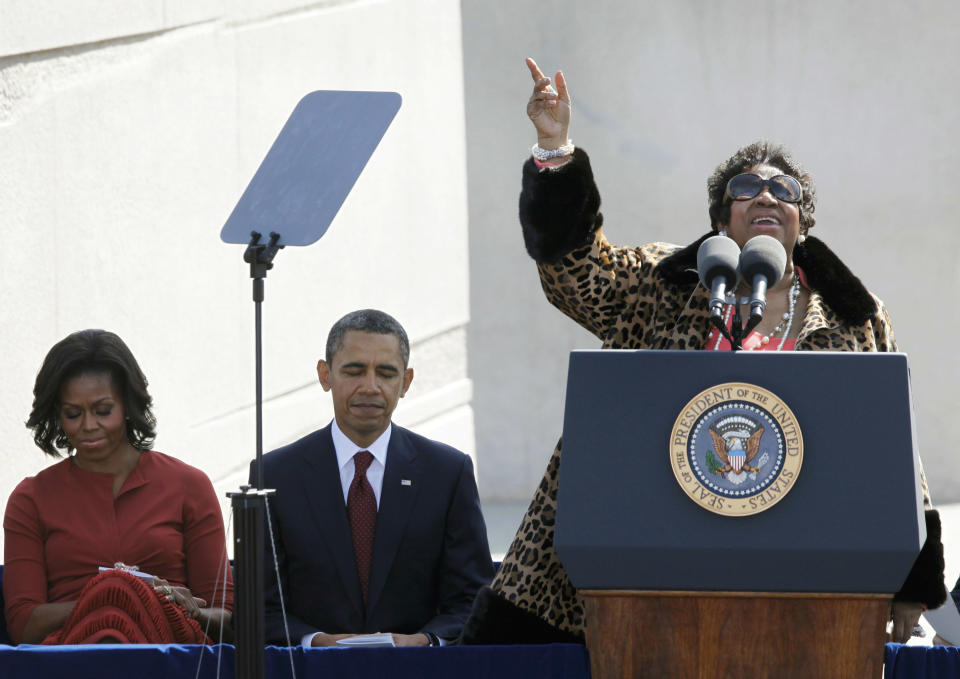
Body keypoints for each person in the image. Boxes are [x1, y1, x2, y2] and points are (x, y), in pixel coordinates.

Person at [459, 58, 945, 645]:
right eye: (746, 189)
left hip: (803, 572)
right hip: (646, 561)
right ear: (721, 217)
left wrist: (914, 576)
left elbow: (892, 444)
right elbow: (573, 269)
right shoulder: (663, 283)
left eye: (782, 190)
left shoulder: (854, 314)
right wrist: (556, 152)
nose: (765, 195)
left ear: (803, 221)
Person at [252, 309, 494, 647]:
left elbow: (471, 600)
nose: (370, 386)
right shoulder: (274, 474)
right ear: (325, 375)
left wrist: (423, 641)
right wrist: (317, 642)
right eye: (354, 371)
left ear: (406, 382)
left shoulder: (447, 473)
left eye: (386, 372)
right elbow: (259, 610)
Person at [3, 329, 233, 644]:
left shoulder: (189, 486)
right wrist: (117, 593)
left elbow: (225, 616)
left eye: (102, 411)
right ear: (57, 414)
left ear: (127, 405)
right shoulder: (31, 499)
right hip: (71, 660)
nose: (88, 425)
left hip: (170, 657)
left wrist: (180, 608)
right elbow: (23, 624)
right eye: (73, 414)